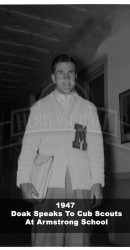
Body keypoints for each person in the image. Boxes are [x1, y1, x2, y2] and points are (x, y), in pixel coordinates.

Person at [17, 54, 104, 246]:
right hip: (48, 182)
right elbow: (29, 147)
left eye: (70, 73)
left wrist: (97, 181)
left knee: (79, 239)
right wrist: (24, 181)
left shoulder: (88, 109)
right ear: (53, 78)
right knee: (47, 239)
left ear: (76, 77)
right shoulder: (40, 107)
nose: (66, 77)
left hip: (81, 181)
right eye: (61, 73)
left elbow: (96, 149)